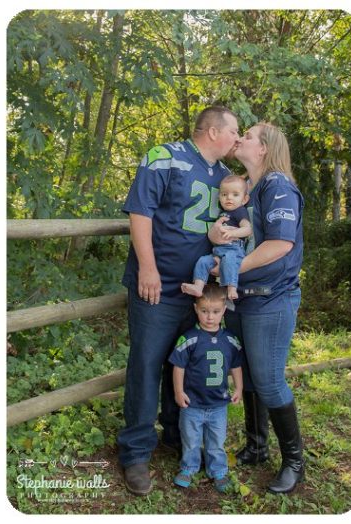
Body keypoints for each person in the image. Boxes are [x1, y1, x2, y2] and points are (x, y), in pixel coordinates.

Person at [118, 105, 240, 495]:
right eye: (234, 131)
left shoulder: (225, 178)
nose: (237, 139)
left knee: (186, 363)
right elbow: (141, 214)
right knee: (146, 365)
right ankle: (136, 452)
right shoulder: (164, 157)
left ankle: (175, 435)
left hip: (199, 293)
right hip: (158, 285)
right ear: (213, 132)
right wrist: (148, 269)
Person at [213, 122, 306, 494]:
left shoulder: (278, 185)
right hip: (243, 298)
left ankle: (295, 462)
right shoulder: (246, 190)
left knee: (268, 380)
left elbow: (280, 245)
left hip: (272, 298)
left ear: (264, 148)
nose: (240, 139)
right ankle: (256, 446)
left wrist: (231, 269)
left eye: (248, 136)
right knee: (249, 375)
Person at [169, 284, 245, 494]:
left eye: (215, 312)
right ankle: (189, 467)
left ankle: (218, 470)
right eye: (204, 311)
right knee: (191, 439)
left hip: (218, 404)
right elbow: (178, 366)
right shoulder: (189, 338)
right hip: (192, 403)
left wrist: (238, 387)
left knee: (216, 441)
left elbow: (236, 365)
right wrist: (178, 391)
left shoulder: (230, 340)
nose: (210, 317)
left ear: (224, 310)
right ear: (196, 309)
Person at [182, 175, 253, 301]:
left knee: (230, 260)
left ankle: (231, 288)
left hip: (233, 249)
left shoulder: (240, 211)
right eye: (224, 194)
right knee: (203, 261)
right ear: (219, 197)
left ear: (244, 199)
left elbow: (247, 229)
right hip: (218, 250)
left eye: (235, 195)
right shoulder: (223, 212)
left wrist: (233, 233)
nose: (229, 198)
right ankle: (198, 287)